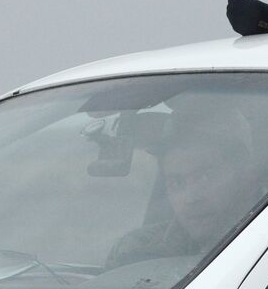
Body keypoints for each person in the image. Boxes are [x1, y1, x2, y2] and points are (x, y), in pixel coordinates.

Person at [107, 111, 254, 268]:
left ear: (243, 177)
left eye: (205, 177)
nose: (191, 198)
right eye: (176, 183)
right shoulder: (133, 252)